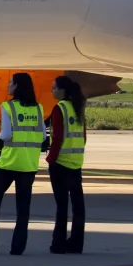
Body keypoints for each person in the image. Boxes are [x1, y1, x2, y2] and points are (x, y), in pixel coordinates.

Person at [0, 73, 45, 255]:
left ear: (17, 86)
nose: (8, 86)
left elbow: (5, 135)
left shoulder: (8, 107)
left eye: (11, 83)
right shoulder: (38, 108)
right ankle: (18, 247)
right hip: (29, 163)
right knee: (23, 207)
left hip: (9, 162)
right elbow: (43, 135)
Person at [48, 75, 87, 254]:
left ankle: (59, 243)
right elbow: (83, 137)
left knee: (62, 205)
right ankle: (77, 243)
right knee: (78, 205)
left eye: (54, 88)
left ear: (62, 90)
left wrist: (51, 159)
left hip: (61, 163)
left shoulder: (60, 108)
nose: (52, 91)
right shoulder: (78, 107)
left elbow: (57, 138)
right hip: (76, 162)